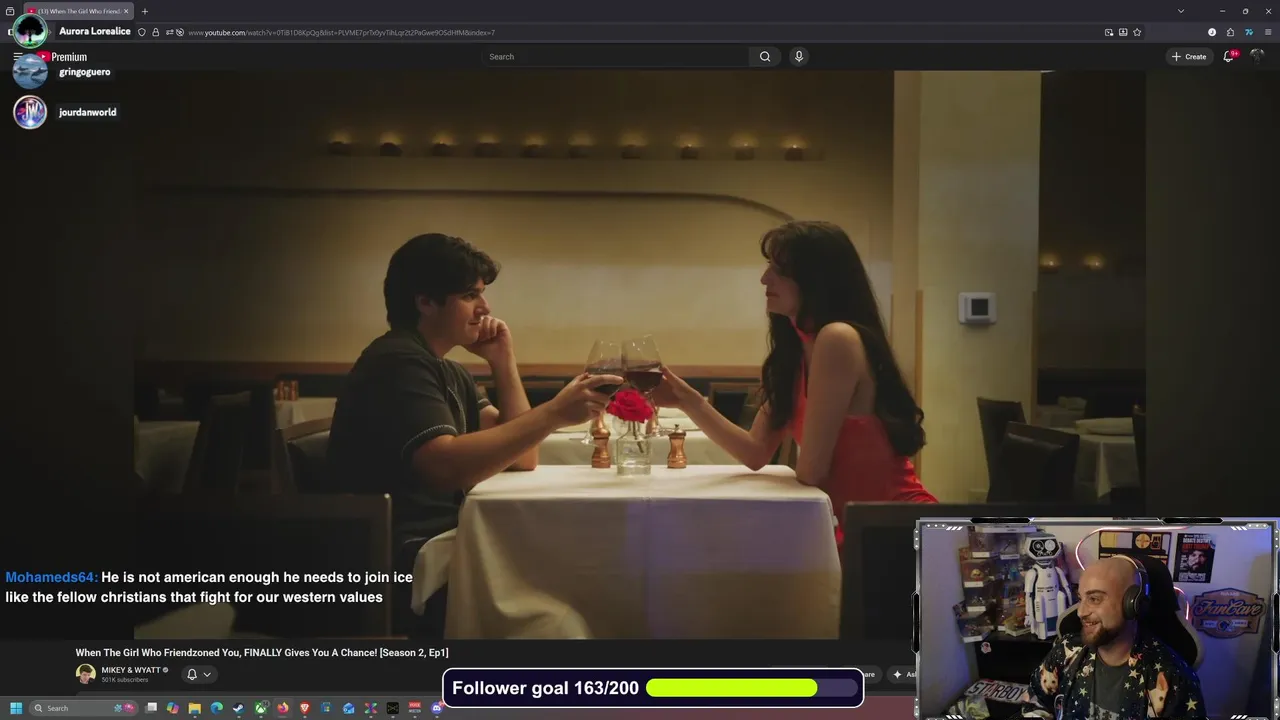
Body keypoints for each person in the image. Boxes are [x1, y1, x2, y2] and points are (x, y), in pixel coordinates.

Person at [326, 233, 620, 636]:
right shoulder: (397, 361)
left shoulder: (447, 369)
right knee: (562, 615)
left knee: (579, 579)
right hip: (402, 559)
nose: (485, 308)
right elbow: (443, 467)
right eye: (470, 295)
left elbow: (522, 457)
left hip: (447, 539)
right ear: (425, 301)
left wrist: (503, 360)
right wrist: (553, 413)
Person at [652, 221, 935, 546]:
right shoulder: (798, 350)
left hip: (897, 531)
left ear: (816, 279)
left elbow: (812, 470)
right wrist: (688, 400)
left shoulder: (837, 339)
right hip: (851, 526)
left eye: (779, 269)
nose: (764, 279)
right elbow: (755, 452)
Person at [1019, 555, 1206, 719]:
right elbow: (1035, 703)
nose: (1080, 612)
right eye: (1080, 598)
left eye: (1094, 599)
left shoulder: (1172, 678)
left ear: (1133, 604)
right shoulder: (1066, 650)